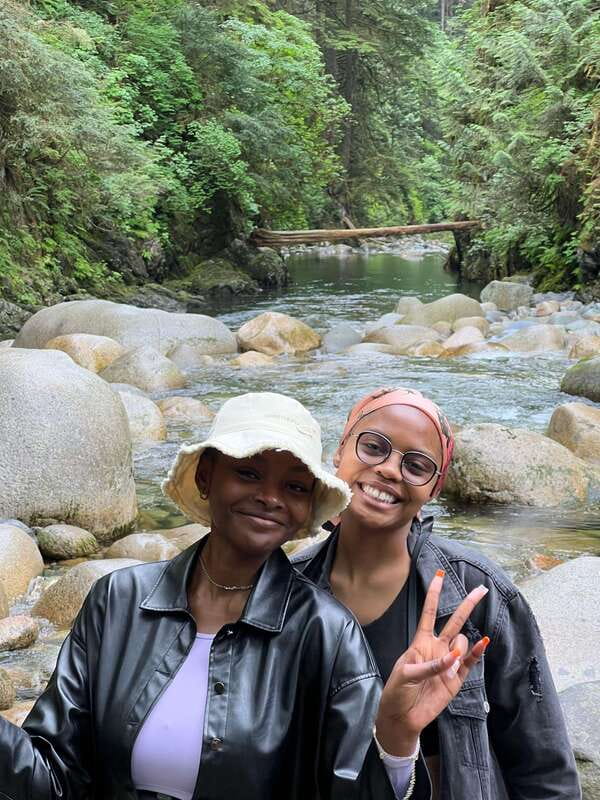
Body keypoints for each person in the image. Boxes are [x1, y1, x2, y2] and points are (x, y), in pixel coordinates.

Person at [1, 391, 488, 800]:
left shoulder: (325, 630)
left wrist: (397, 737)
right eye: (249, 473)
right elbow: (53, 776)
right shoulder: (118, 601)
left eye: (294, 485)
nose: (271, 497)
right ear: (207, 476)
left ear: (305, 510)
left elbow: (349, 790)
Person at [292, 387, 581, 800]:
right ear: (340, 451)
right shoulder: (288, 593)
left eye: (417, 465)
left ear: (435, 489)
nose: (390, 470)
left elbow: (543, 764)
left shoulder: (481, 594)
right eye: (373, 447)